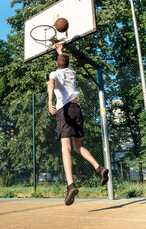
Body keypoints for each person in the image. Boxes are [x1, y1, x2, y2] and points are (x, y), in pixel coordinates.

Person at [48, 43, 109, 206]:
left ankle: (71, 185)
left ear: (57, 64)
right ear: (67, 64)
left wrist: (49, 101)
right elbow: (62, 63)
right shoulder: (72, 72)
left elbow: (51, 82)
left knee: (65, 149)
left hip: (65, 112)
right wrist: (60, 51)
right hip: (77, 110)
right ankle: (99, 168)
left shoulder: (54, 73)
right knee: (77, 147)